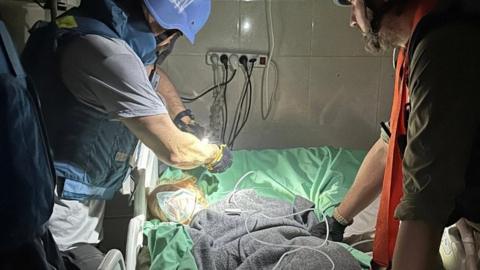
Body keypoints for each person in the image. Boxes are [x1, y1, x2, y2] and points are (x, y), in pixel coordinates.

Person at [20, 0, 232, 268]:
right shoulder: (109, 55)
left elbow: (153, 77)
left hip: (51, 181)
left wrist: (183, 117)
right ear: (162, 29)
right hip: (59, 207)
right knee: (67, 260)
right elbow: (176, 151)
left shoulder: (89, 29)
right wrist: (214, 154)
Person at [317, 0, 480, 269]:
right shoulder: (421, 41)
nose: (352, 19)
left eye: (354, 3)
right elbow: (392, 143)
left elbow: (425, 200)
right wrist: (337, 221)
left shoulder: (444, 45)